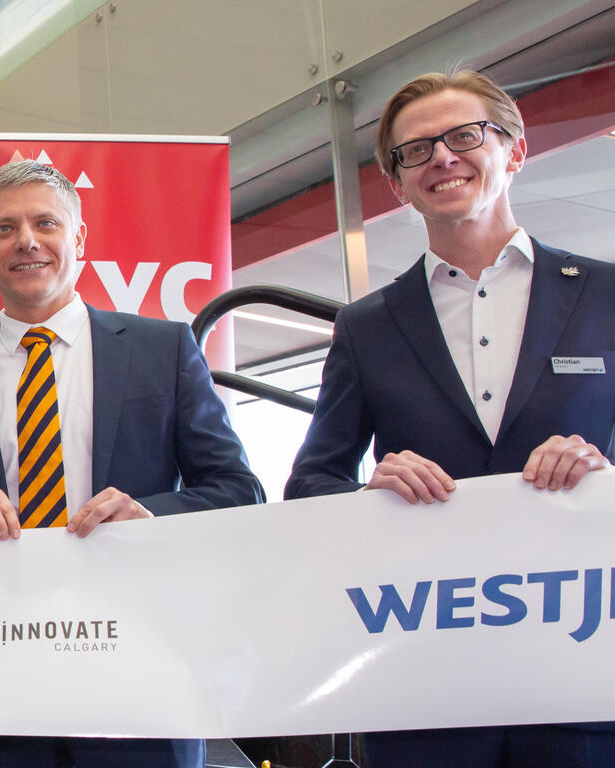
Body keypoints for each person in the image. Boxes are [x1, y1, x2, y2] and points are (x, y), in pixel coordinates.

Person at [285, 70, 614, 767]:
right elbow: (311, 486)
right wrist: (369, 492)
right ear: (398, 184)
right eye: (415, 151)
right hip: (425, 684)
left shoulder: (608, 296)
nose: (441, 157)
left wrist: (603, 470)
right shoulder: (366, 326)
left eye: (465, 136)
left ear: (515, 151)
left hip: (580, 672)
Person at [0, 161, 262, 768]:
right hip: (2, 675)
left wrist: (150, 512)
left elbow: (237, 490)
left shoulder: (164, 350)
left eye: (46, 223)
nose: (26, 241)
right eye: (4, 229)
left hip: (141, 670)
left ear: (79, 240)